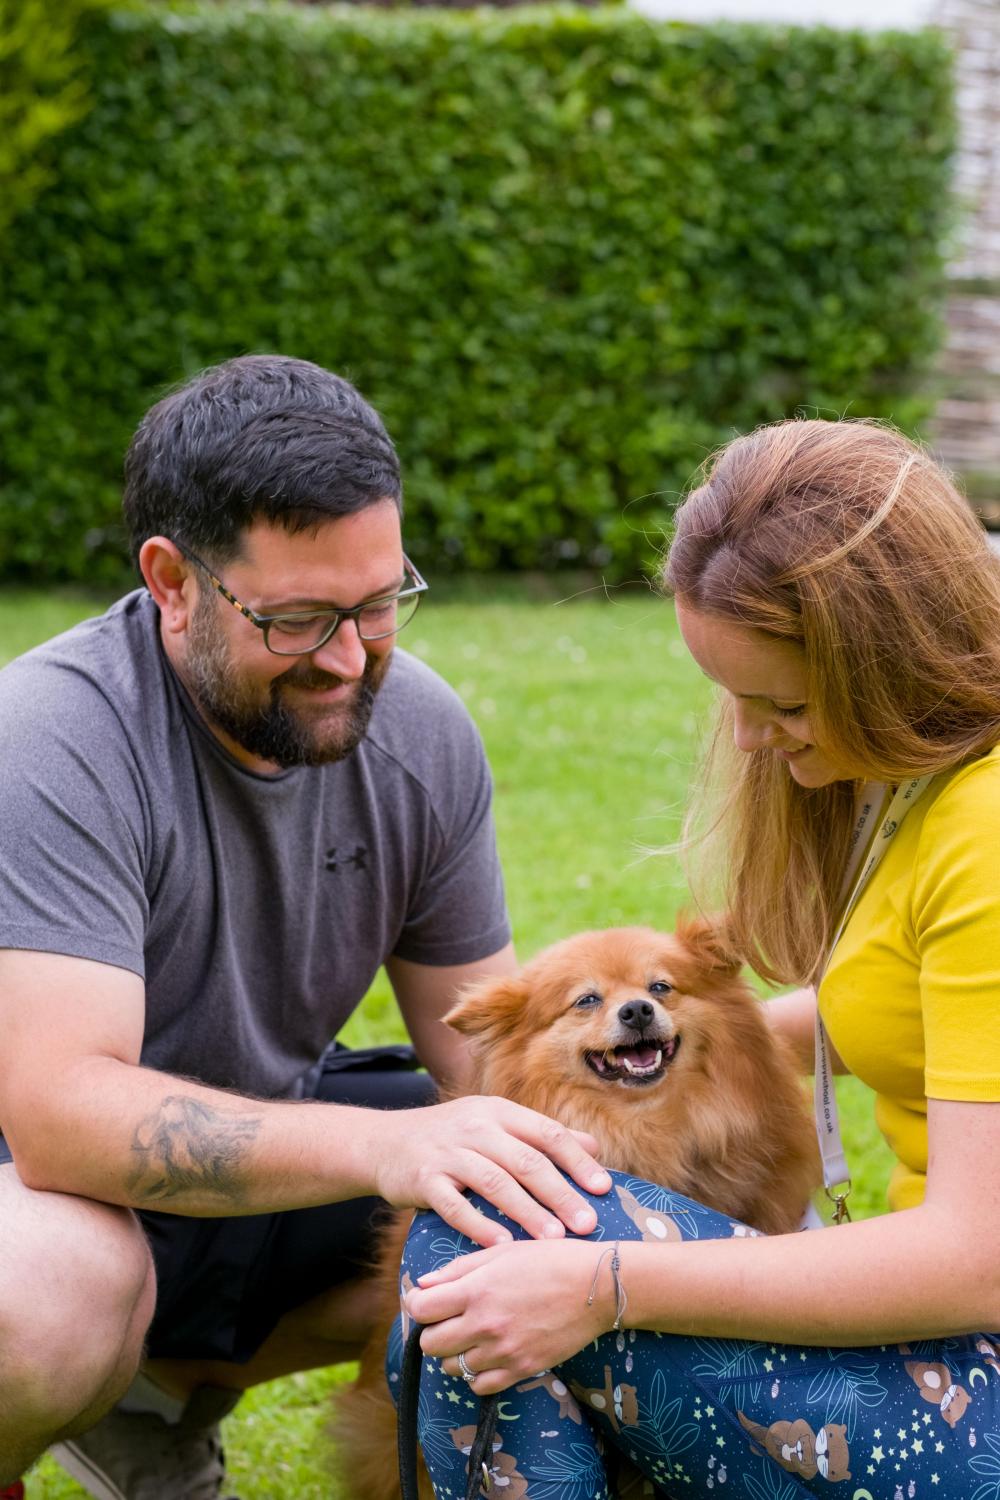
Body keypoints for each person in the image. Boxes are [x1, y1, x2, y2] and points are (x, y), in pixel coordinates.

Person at [0, 354, 612, 1497]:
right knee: (47, 1296)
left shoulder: (419, 730)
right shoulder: (49, 736)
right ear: (172, 581)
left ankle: (153, 1400)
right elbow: (57, 1118)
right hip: (38, 1195)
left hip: (253, 1162)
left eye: (378, 603)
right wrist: (388, 1147)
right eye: (295, 619)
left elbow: (488, 1059)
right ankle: (72, 1388)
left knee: (537, 1185)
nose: (349, 657)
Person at [400, 417, 1000, 1499]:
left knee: (473, 1247)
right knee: (499, 1186)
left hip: (980, 1390)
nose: (751, 738)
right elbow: (920, 1014)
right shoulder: (936, 791)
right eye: (731, 698)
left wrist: (610, 1285)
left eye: (781, 703)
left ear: (892, 659)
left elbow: (978, 1257)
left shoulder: (990, 831)